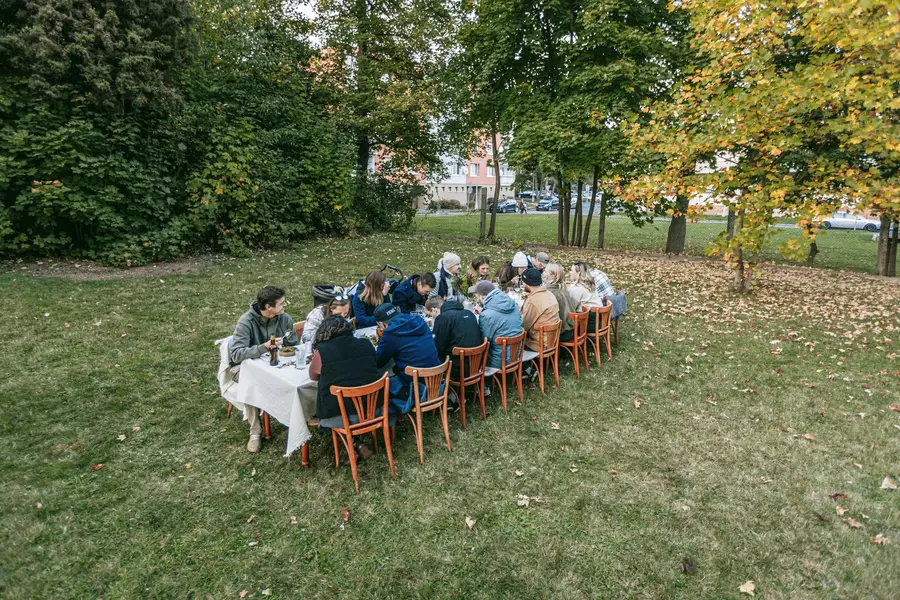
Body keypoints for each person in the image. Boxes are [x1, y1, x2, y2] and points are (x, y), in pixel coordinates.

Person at [228, 286, 296, 453]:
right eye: (281, 303)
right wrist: (264, 347)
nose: (285, 305)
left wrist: (288, 348)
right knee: (251, 383)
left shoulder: (284, 318)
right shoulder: (246, 322)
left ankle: (291, 417)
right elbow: (236, 354)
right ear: (268, 307)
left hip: (276, 364)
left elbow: (293, 342)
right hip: (244, 367)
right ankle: (255, 431)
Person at [308, 316, 382, 460]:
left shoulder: (323, 351)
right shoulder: (365, 344)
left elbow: (313, 376)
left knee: (324, 423)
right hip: (374, 409)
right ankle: (356, 444)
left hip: (344, 416)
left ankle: (353, 445)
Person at [374, 303, 440, 414]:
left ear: (381, 324)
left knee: (385, 380)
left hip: (415, 388)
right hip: (437, 380)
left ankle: (393, 414)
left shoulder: (390, 333)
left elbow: (378, 362)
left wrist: (382, 337)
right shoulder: (419, 320)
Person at [470, 280, 522, 370]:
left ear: (482, 296)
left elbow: (484, 341)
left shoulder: (487, 315)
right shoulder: (511, 303)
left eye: (477, 296)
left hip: (499, 360)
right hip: (517, 354)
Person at [432, 296, 483, 381]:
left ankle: (436, 388)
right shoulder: (470, 313)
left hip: (457, 369)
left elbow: (438, 346)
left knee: (433, 355)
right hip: (476, 365)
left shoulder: (443, 317)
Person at [519, 268, 560, 352]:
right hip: (552, 341)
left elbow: (524, 326)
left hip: (538, 344)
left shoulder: (533, 300)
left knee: (511, 341)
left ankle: (524, 365)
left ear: (527, 283)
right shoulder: (549, 293)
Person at [542, 264, 574, 343]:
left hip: (561, 332)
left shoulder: (550, 292)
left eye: (546, 271)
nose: (543, 273)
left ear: (552, 275)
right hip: (571, 328)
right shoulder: (563, 287)